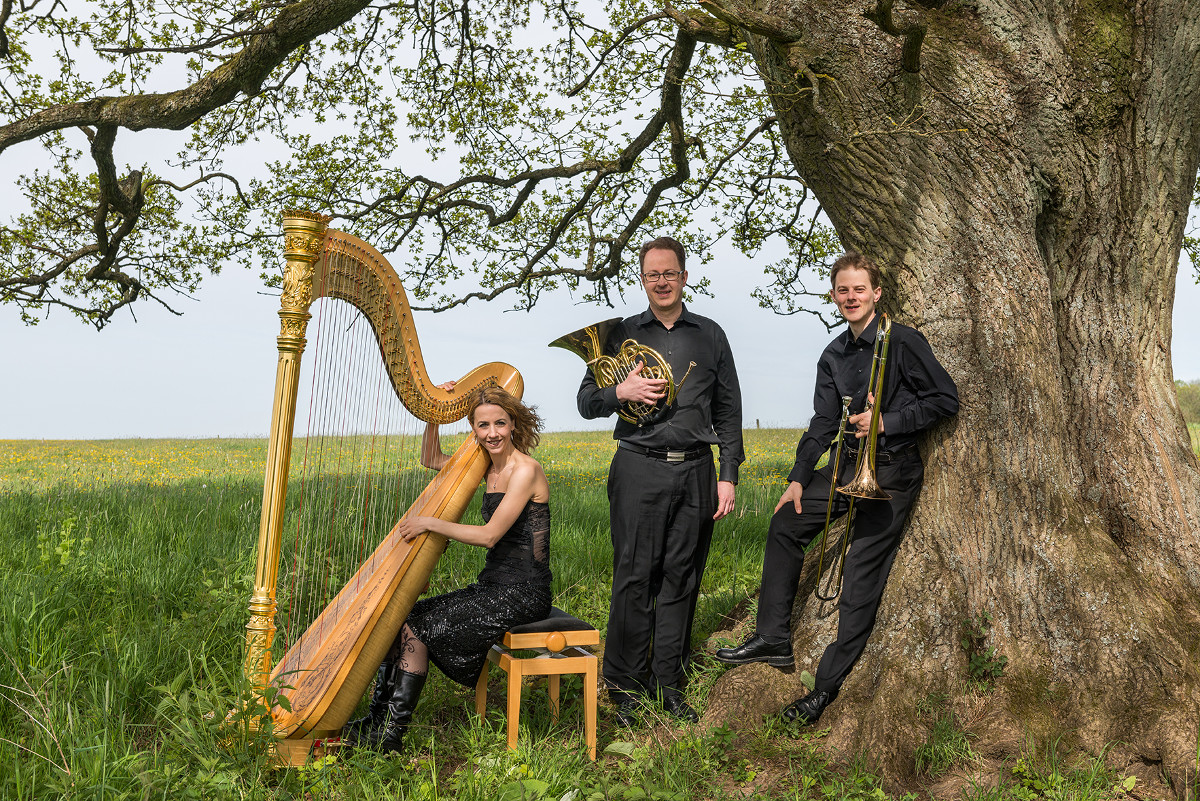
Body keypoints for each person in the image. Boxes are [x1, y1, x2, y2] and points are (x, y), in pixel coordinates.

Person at [714, 252, 958, 725]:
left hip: (889, 473)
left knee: (859, 579)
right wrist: (799, 476)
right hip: (845, 470)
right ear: (833, 295)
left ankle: (823, 690)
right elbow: (823, 421)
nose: (851, 298)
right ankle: (772, 638)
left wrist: (887, 421)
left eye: (859, 289)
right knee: (785, 522)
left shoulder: (904, 343)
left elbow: (945, 399)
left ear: (877, 293)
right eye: (843, 290)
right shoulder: (834, 354)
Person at [577, 236, 744, 726]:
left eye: (670, 273)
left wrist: (728, 475)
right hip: (638, 466)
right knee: (633, 577)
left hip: (697, 470)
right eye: (653, 275)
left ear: (684, 277)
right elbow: (586, 403)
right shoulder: (620, 333)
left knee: (681, 579)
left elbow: (729, 409)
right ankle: (625, 686)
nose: (662, 282)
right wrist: (619, 389)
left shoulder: (710, 335)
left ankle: (667, 683)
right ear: (643, 279)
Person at [342, 385, 551, 753]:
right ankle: (378, 719)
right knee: (400, 615)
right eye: (483, 425)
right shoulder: (485, 465)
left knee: (419, 628)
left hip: (523, 592)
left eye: (500, 423)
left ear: (513, 423)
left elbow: (489, 536)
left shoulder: (525, 471)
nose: (492, 433)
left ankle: (391, 735)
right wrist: (432, 418)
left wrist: (429, 522)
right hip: (492, 586)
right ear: (474, 428)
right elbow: (430, 457)